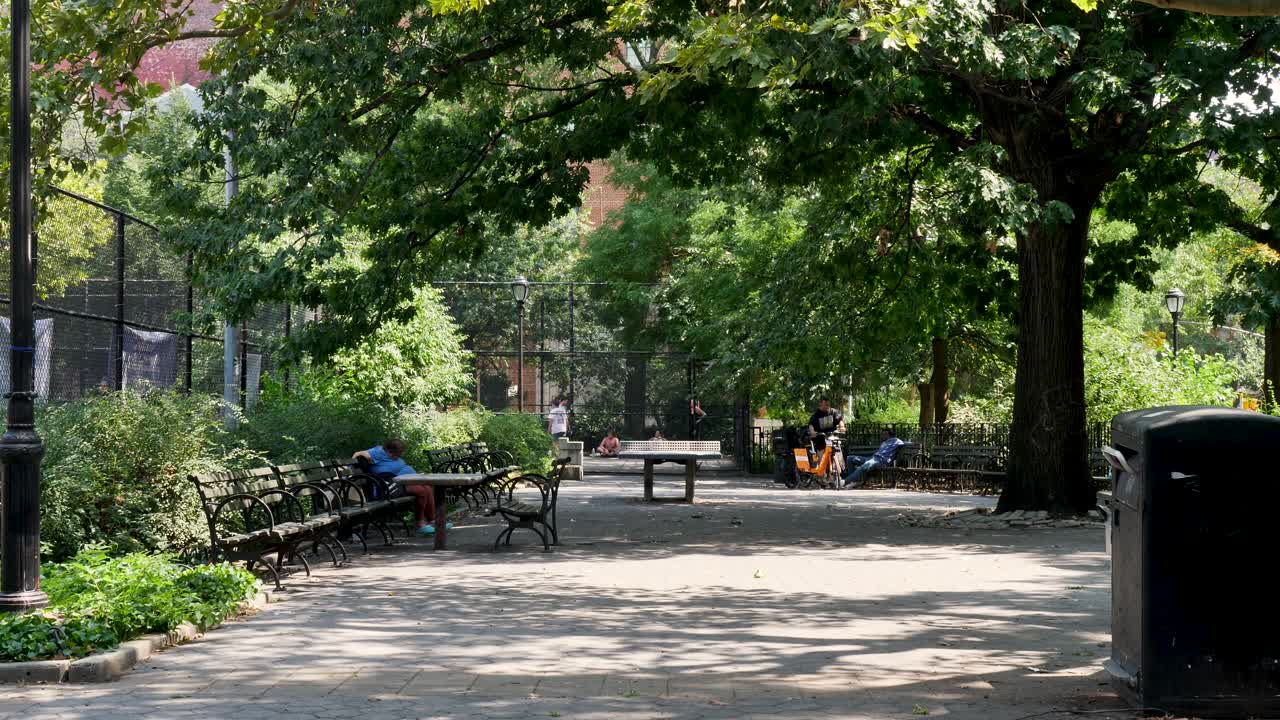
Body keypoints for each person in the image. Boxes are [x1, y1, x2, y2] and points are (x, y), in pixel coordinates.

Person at [351, 439, 448, 537]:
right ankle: (420, 525)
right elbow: (357, 454)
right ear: (390, 450)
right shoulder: (377, 452)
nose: (399, 455)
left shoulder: (392, 456)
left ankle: (433, 521)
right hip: (388, 488)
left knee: (427, 487)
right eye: (398, 453)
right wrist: (367, 457)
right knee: (421, 491)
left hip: (402, 483)